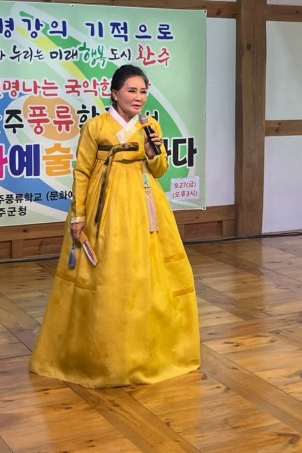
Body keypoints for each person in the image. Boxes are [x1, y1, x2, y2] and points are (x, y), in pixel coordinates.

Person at [30, 64, 200, 388]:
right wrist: (78, 216)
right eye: (132, 90)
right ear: (114, 93)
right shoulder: (95, 126)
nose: (139, 97)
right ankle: (100, 352)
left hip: (144, 201)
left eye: (143, 91)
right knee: (106, 273)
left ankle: (146, 351)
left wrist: (152, 152)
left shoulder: (150, 126)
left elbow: (160, 169)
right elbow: (82, 171)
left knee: (145, 273)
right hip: (104, 204)